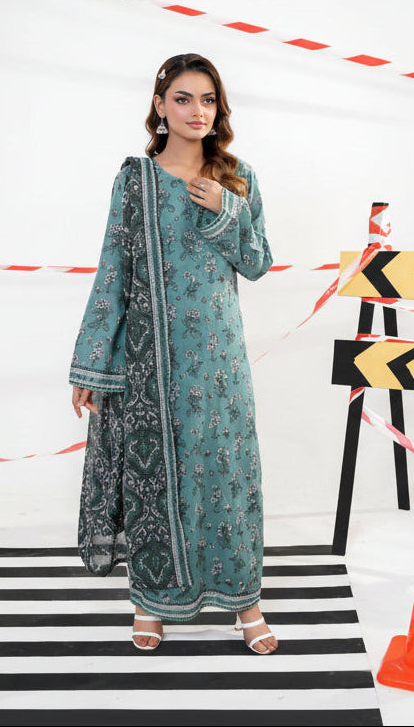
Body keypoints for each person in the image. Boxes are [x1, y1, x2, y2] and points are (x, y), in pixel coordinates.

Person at [69, 53, 277, 655]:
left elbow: (260, 262)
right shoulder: (134, 179)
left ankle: (246, 602)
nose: (196, 111)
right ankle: (150, 602)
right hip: (150, 361)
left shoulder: (236, 176)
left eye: (207, 100)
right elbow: (114, 268)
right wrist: (92, 362)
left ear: (219, 109)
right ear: (160, 107)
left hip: (218, 364)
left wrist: (224, 210)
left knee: (228, 472)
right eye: (183, 99)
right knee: (151, 480)